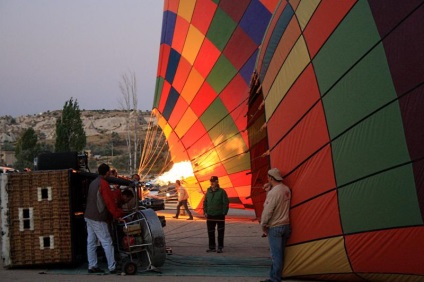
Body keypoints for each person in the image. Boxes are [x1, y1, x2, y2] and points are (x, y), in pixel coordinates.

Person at [84, 163, 126, 274]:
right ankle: (112, 267)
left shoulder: (93, 183)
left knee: (91, 242)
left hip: (88, 216)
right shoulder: (103, 184)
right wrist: (117, 215)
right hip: (98, 217)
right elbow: (109, 202)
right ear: (107, 172)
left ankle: (92, 265)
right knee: (107, 241)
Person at [260, 168, 291, 282]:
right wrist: (269, 190)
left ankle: (275, 279)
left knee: (275, 256)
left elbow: (268, 211)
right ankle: (274, 276)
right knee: (280, 254)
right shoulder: (286, 189)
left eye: (268, 177)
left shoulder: (274, 192)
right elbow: (278, 202)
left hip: (275, 227)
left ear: (271, 178)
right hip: (286, 225)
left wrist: (263, 225)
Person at [203, 176, 229, 253]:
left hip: (219, 215)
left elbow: (226, 203)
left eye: (213, 181)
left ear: (217, 182)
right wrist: (205, 211)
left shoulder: (222, 192)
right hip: (210, 214)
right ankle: (212, 247)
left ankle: (220, 247)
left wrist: (224, 212)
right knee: (210, 231)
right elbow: (205, 202)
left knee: (220, 231)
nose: (212, 183)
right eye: (211, 181)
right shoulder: (208, 191)